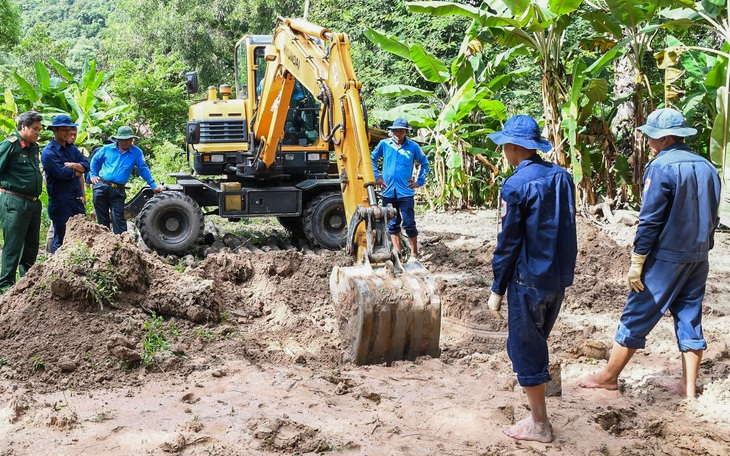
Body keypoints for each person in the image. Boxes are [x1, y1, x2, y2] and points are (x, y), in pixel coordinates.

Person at [578, 108, 721, 399]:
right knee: (690, 316)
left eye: (651, 135)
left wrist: (638, 259)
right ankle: (688, 387)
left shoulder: (661, 167)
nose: (646, 139)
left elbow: (650, 219)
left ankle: (608, 376)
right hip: (699, 255)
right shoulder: (707, 166)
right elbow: (714, 212)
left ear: (665, 138)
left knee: (637, 313)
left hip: (667, 256)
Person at [487, 114, 577, 443]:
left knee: (525, 349)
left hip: (528, 279)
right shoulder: (562, 176)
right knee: (538, 341)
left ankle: (540, 425)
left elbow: (508, 242)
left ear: (513, 147)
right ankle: (540, 406)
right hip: (557, 276)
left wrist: (498, 286)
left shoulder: (515, 185)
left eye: (504, 146)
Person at [370, 118, 429, 259]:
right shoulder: (384, 144)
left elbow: (425, 163)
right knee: (392, 224)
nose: (397, 133)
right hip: (388, 191)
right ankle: (398, 253)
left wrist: (419, 181)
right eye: (395, 130)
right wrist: (377, 176)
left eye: (401, 130)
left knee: (409, 224)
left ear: (406, 132)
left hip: (405, 192)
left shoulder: (413, 147)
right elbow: (371, 158)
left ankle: (414, 253)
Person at [0, 111, 44, 293]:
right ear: (23, 127)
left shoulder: (34, 147)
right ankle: (5, 285)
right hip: (14, 201)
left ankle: (28, 282)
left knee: (32, 245)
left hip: (33, 203)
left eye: (39, 130)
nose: (38, 133)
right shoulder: (10, 145)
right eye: (35, 129)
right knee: (13, 245)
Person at [89, 126, 162, 234]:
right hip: (102, 185)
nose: (128, 142)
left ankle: (121, 244)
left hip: (118, 189)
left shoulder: (136, 152)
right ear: (118, 139)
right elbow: (95, 160)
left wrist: (153, 185)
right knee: (102, 219)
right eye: (125, 139)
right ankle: (104, 243)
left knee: (118, 217)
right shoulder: (107, 149)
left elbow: (143, 168)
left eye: (130, 139)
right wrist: (93, 174)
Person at [41, 114, 90, 253]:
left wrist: (74, 165)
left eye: (70, 129)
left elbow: (87, 165)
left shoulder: (71, 148)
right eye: (64, 130)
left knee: (80, 236)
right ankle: (57, 271)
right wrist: (78, 171)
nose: (68, 133)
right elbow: (61, 173)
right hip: (60, 201)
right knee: (62, 239)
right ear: (55, 130)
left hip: (76, 200)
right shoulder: (48, 152)